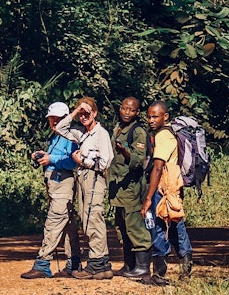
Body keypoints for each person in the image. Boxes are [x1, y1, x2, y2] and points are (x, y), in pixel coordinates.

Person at [21, 102, 82, 279]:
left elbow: (72, 161)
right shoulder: (55, 137)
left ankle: (42, 264)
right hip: (54, 183)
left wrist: (51, 159)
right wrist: (42, 156)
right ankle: (74, 263)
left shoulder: (70, 136)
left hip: (63, 182)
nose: (54, 122)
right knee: (68, 223)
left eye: (58, 118)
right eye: (52, 118)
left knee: (54, 222)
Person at [55, 97, 115, 280]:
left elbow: (105, 162)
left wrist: (82, 161)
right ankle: (102, 265)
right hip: (83, 177)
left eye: (87, 113)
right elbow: (60, 128)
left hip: (94, 178)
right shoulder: (82, 133)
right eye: (81, 114)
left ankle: (96, 263)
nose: (83, 117)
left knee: (93, 218)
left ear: (95, 113)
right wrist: (75, 111)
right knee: (86, 218)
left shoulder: (101, 134)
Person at [140, 101, 194, 286]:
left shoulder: (163, 135)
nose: (151, 120)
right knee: (176, 224)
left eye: (155, 116)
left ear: (166, 116)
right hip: (173, 186)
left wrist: (148, 198)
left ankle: (159, 274)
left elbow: (157, 168)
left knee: (159, 227)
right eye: (149, 116)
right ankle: (186, 267)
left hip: (163, 188)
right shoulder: (171, 133)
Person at [108, 97, 152, 279]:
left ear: (137, 112)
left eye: (131, 110)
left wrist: (125, 152)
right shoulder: (118, 127)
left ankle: (143, 267)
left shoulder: (138, 131)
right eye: (124, 108)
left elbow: (138, 160)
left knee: (135, 226)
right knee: (122, 227)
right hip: (118, 187)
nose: (127, 112)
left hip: (131, 187)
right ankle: (129, 265)